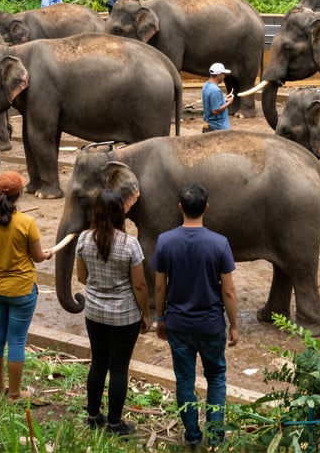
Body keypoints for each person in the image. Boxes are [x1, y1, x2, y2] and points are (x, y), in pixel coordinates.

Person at [152, 184, 239, 451]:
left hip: (178, 325)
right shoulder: (219, 243)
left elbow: (159, 287)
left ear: (180, 208)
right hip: (211, 325)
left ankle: (191, 436)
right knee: (216, 377)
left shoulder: (165, 241)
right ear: (207, 208)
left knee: (185, 380)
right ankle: (215, 437)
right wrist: (234, 325)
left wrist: (161, 317)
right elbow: (228, 291)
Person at [76, 189, 150, 436]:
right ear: (121, 213)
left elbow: (81, 277)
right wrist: (145, 314)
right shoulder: (131, 244)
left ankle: (93, 416)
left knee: (98, 363)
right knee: (118, 367)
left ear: (95, 212)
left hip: (95, 313)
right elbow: (139, 285)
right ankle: (115, 424)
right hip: (125, 316)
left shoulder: (84, 240)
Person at [0, 170, 52, 399]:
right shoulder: (26, 222)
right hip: (21, 289)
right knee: (17, 341)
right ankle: (15, 394)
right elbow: (37, 257)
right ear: (19, 193)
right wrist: (46, 255)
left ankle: (0, 389)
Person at [202, 62, 233, 133]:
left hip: (208, 125)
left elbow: (210, 101)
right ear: (219, 75)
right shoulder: (215, 90)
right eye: (223, 74)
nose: (224, 76)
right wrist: (229, 102)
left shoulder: (206, 85)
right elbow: (215, 110)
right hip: (218, 128)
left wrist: (223, 99)